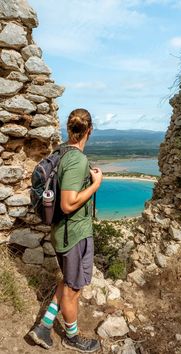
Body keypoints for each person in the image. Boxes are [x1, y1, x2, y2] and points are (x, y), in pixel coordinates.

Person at [29, 108, 102, 352]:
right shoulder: (77, 159)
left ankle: (44, 326)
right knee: (73, 289)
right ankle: (72, 337)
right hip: (74, 235)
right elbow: (68, 203)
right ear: (89, 131)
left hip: (63, 232)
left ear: (68, 129)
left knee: (68, 281)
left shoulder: (61, 151)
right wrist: (96, 185)